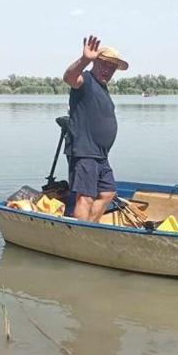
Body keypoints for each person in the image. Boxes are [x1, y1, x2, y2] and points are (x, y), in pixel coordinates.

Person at [61, 35, 128, 221]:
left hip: (101, 155)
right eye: (104, 64)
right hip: (84, 151)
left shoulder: (102, 87)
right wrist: (84, 60)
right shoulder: (87, 80)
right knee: (86, 197)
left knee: (108, 193)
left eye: (112, 66)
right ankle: (81, 237)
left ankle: (90, 228)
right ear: (95, 62)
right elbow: (69, 77)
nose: (108, 69)